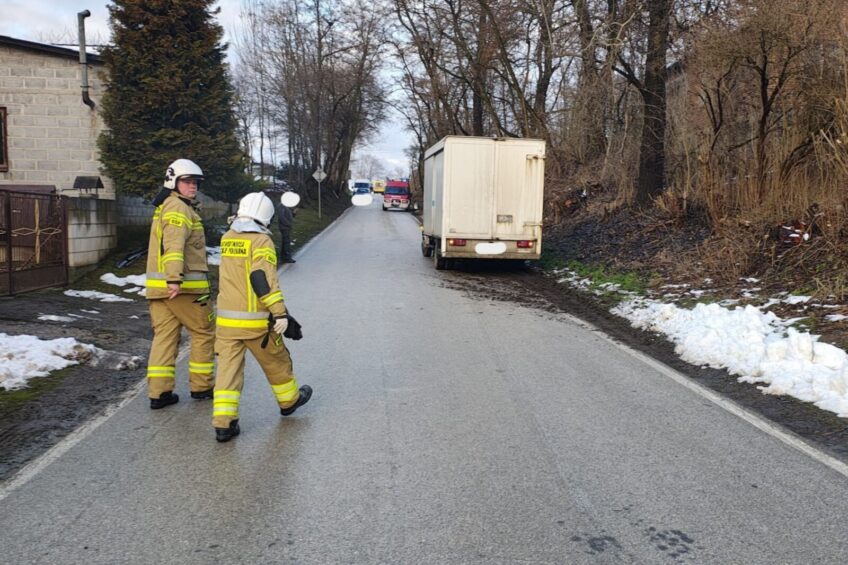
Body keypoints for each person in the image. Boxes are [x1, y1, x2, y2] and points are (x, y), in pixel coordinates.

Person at [213, 192, 312, 442]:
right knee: (276, 361)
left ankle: (224, 424)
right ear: (266, 217)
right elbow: (262, 279)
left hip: (225, 321)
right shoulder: (261, 241)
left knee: (228, 372)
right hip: (255, 321)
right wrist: (281, 314)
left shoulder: (228, 237)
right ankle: (289, 401)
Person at [144, 159, 215, 409]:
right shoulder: (178, 209)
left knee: (165, 337)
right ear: (173, 182)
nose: (193, 186)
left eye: (195, 182)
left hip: (159, 290)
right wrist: (174, 279)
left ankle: (159, 393)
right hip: (185, 288)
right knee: (204, 332)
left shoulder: (168, 206)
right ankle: (202, 386)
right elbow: (173, 247)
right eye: (187, 181)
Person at [275, 195, 296, 263]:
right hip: (284, 227)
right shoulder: (281, 206)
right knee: (286, 242)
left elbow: (288, 216)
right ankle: (286, 257)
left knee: (285, 242)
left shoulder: (285, 206)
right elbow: (282, 217)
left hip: (286, 227)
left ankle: (284, 257)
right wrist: (288, 224)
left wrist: (294, 213)